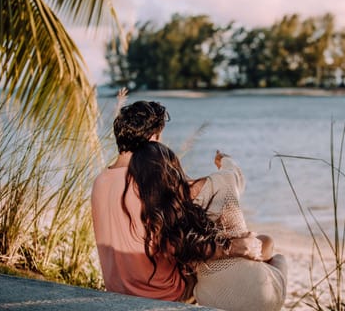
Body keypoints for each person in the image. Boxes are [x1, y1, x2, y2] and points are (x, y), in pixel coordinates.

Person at [91, 99, 262, 302]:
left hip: (117, 291)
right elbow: (179, 245)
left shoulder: (100, 181)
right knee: (257, 246)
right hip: (163, 294)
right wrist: (236, 247)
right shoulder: (149, 184)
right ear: (154, 139)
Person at [190, 150, 288, 311]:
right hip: (267, 298)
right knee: (278, 258)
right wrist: (224, 159)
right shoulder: (221, 183)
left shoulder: (172, 209)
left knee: (266, 242)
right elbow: (235, 174)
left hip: (210, 296)